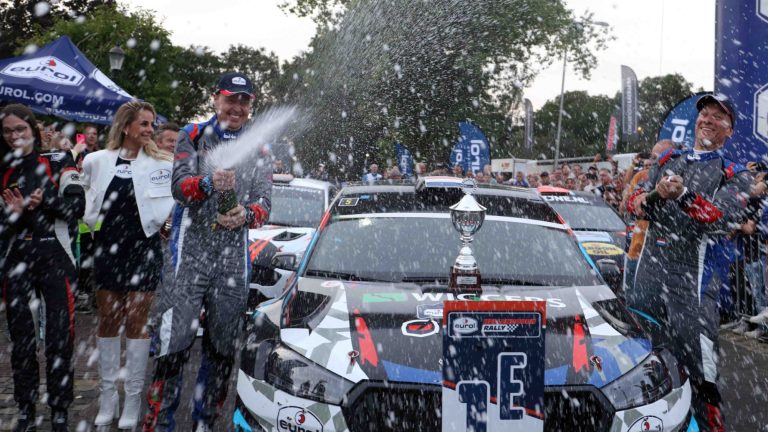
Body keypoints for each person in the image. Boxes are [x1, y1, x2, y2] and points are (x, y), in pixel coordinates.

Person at [143, 72, 272, 431]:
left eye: (245, 101)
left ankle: (204, 422)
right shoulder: (193, 134)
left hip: (232, 257)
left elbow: (265, 203)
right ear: (216, 99)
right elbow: (179, 188)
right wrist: (206, 182)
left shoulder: (259, 145)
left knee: (222, 348)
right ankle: (159, 423)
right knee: (174, 344)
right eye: (231, 99)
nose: (238, 107)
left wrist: (245, 214)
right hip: (191, 251)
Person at [626, 94, 753, 431]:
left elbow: (720, 220)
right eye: (704, 114)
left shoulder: (732, 174)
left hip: (693, 291)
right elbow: (635, 206)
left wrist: (682, 196)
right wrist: (657, 194)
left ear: (729, 130)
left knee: (702, 379)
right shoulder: (669, 157)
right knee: (642, 371)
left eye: (717, 116)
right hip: (648, 282)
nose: (707, 120)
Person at [82, 101, 175, 429]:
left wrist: (167, 221)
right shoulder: (95, 161)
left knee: (137, 322)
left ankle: (133, 397)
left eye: (152, 125)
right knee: (108, 319)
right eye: (145, 124)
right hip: (107, 249)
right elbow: (83, 200)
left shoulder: (161, 163)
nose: (150, 130)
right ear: (126, 127)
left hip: (144, 250)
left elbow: (171, 201)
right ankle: (109, 396)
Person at [1, 104, 85, 432]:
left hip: (56, 257)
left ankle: (60, 408)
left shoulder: (58, 161)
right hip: (16, 260)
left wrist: (41, 203)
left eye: (20, 129)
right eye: (7, 131)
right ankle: (26, 407)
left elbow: (77, 208)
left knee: (59, 338)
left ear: (33, 129)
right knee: (21, 339)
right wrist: (15, 213)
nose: (14, 136)